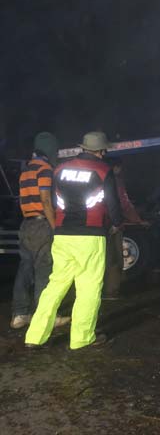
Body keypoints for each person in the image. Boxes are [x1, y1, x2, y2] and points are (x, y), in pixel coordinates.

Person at [25, 131, 123, 349]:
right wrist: (117, 223)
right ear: (101, 151)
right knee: (88, 288)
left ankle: (35, 336)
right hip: (90, 237)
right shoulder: (103, 170)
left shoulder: (60, 169)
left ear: (83, 147)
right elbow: (113, 204)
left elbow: (52, 200)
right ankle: (82, 338)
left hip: (63, 235)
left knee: (55, 285)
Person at [10, 132, 69, 330]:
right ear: (50, 150)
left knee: (25, 269)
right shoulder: (45, 170)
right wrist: (55, 227)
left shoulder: (26, 171)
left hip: (26, 224)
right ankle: (47, 316)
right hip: (41, 225)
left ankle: (20, 314)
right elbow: (45, 200)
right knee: (44, 270)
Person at [103, 159, 147, 299]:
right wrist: (138, 220)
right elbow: (123, 203)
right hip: (113, 225)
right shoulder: (115, 180)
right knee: (114, 258)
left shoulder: (97, 176)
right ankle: (110, 291)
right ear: (117, 167)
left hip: (96, 224)